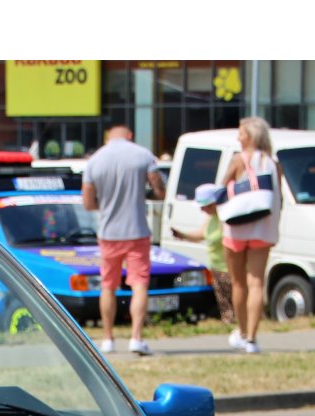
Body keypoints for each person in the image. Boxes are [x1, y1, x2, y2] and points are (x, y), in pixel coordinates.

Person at [81, 124, 165, 355]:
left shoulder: (95, 161)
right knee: (139, 285)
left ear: (108, 137)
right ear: (130, 136)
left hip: (108, 232)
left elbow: (87, 203)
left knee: (108, 286)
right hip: (137, 229)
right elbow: (159, 190)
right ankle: (136, 337)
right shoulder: (142, 155)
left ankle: (108, 338)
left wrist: (106, 205)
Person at [221, 117, 283, 355]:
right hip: (263, 228)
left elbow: (222, 188)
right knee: (256, 281)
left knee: (238, 282)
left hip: (237, 228)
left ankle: (243, 331)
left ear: (251, 136)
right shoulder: (273, 163)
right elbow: (279, 199)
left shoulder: (238, 160)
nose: (238, 137)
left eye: (241, 133)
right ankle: (252, 340)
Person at [171, 183, 235, 330]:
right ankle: (228, 327)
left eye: (203, 205)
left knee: (236, 302)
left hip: (229, 269)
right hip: (216, 268)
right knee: (225, 306)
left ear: (214, 203)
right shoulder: (211, 218)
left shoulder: (224, 217)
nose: (201, 209)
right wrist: (183, 235)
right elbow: (202, 234)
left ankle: (242, 328)